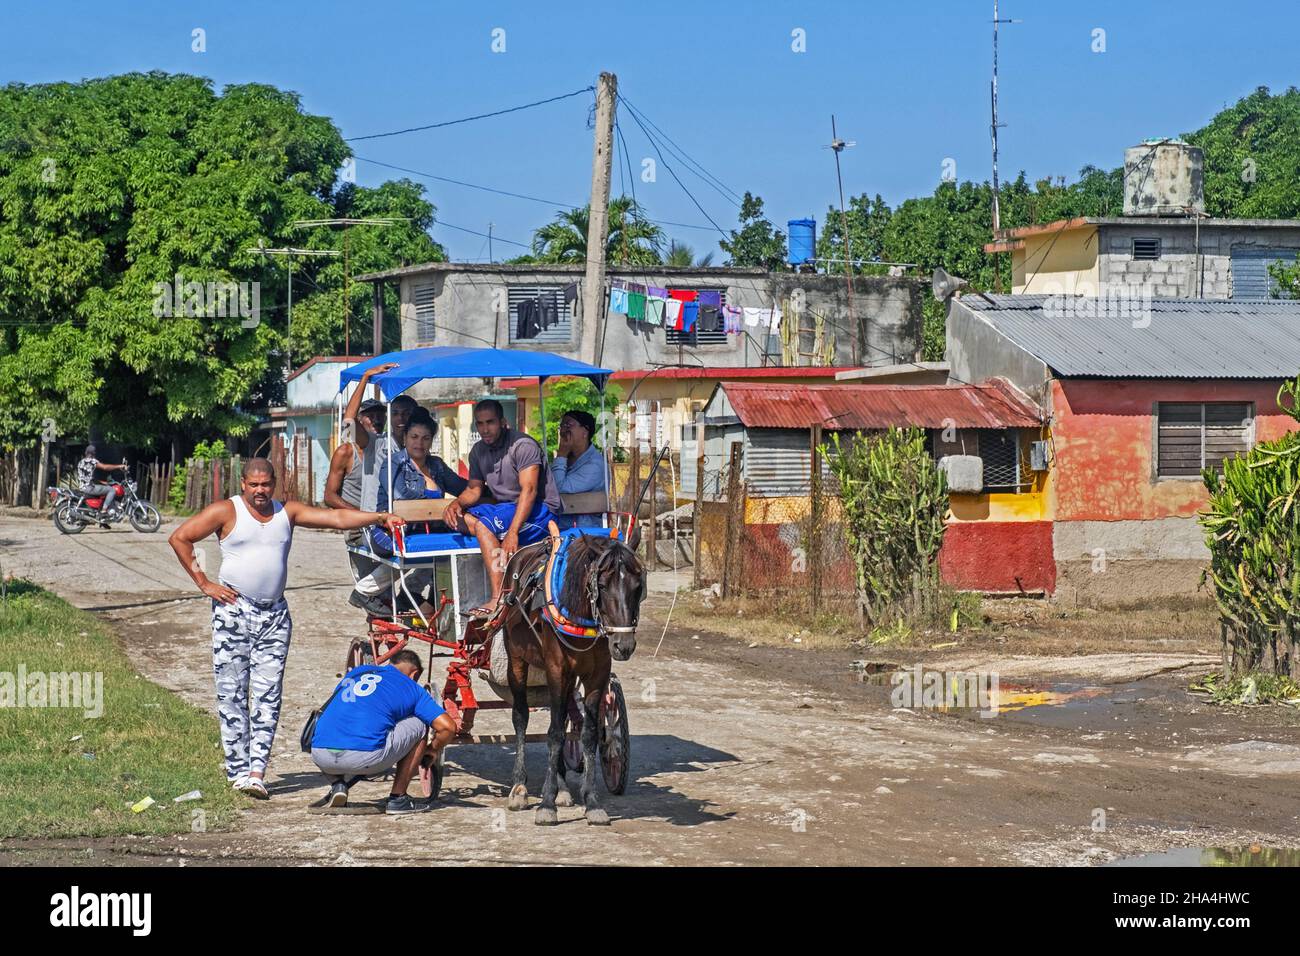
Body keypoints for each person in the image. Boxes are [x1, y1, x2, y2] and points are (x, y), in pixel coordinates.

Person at [168, 457, 404, 799]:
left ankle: (256, 772)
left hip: (274, 615)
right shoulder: (226, 511)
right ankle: (237, 770)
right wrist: (204, 583)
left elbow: (336, 518)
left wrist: (379, 517)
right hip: (234, 611)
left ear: (274, 484)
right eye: (254, 485)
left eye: (266, 484)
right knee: (232, 693)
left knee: (268, 694)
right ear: (243, 484)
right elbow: (180, 538)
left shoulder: (286, 512)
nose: (260, 491)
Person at [443, 399, 561, 616]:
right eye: (480, 424)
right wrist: (456, 503)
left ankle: (498, 599)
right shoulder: (478, 451)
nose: (485, 429)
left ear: (503, 422)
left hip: (540, 509)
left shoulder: (522, 445)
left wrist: (512, 533)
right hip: (505, 509)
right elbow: (475, 490)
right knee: (457, 519)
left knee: (483, 528)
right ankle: (499, 551)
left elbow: (530, 491)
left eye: (490, 422)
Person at [310, 649, 457, 814]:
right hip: (366, 758)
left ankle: (338, 784)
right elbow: (448, 727)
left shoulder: (358, 672)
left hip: (320, 756)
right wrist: (433, 749)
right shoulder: (411, 687)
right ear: (414, 674)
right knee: (420, 724)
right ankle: (398, 798)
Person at [366, 407, 469, 616]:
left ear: (431, 441)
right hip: (390, 530)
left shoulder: (437, 466)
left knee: (459, 547)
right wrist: (441, 505)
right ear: (404, 438)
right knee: (416, 550)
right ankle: (366, 591)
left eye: (425, 438)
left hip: (427, 530)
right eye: (414, 437)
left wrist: (484, 490)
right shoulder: (393, 463)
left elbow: (462, 488)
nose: (419, 443)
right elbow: (401, 500)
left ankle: (427, 597)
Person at [552, 410, 608, 529]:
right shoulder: (566, 459)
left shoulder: (595, 465)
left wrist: (561, 453)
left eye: (568, 425)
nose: (563, 430)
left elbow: (557, 487)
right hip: (558, 526)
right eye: (562, 426)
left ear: (585, 432)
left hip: (583, 534)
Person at [76, 444, 128, 528]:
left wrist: (103, 483)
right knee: (112, 490)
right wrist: (119, 466)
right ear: (93, 453)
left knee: (105, 492)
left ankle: (103, 521)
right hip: (89, 488)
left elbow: (88, 477)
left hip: (83, 487)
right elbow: (105, 467)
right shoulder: (92, 461)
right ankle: (104, 511)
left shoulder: (81, 462)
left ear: (86, 452)